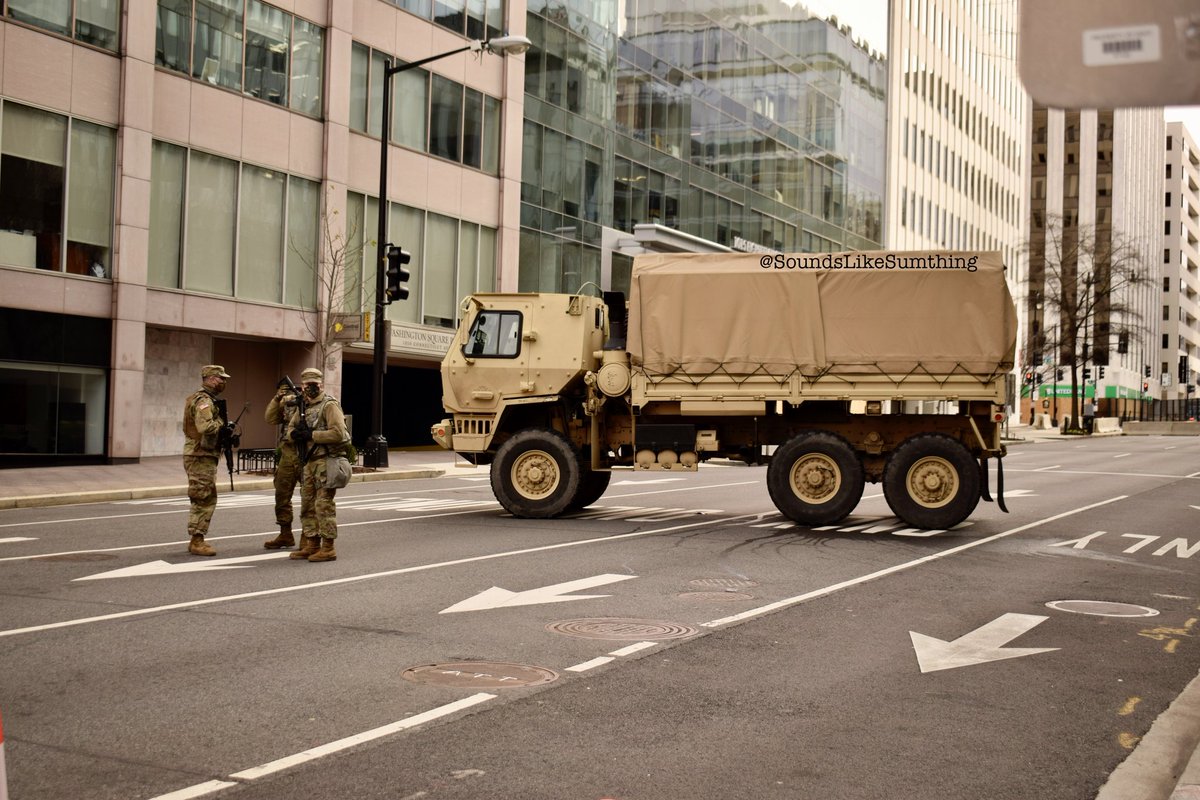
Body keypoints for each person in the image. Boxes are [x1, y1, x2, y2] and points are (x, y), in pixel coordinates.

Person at [288, 368, 351, 562]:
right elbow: (290, 428)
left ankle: (328, 547)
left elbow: (339, 433)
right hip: (309, 463)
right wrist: (295, 434)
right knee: (307, 505)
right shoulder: (302, 407)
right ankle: (311, 544)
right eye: (308, 385)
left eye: (315, 384)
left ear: (321, 384)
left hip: (326, 462)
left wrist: (312, 435)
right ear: (303, 385)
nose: (311, 388)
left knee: (323, 505)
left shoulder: (329, 406)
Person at [182, 365, 233, 556]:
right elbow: (205, 427)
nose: (224, 382)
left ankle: (198, 537)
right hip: (199, 455)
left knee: (206, 495)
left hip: (203, 454)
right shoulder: (204, 400)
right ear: (210, 378)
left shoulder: (206, 399)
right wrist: (223, 428)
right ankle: (196, 540)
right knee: (203, 497)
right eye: (221, 378)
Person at [262, 378, 302, 549]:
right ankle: (285, 533)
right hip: (287, 453)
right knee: (282, 495)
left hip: (305, 453)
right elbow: (270, 419)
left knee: (310, 497)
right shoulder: (286, 402)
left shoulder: (310, 403)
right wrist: (277, 398)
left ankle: (310, 537)